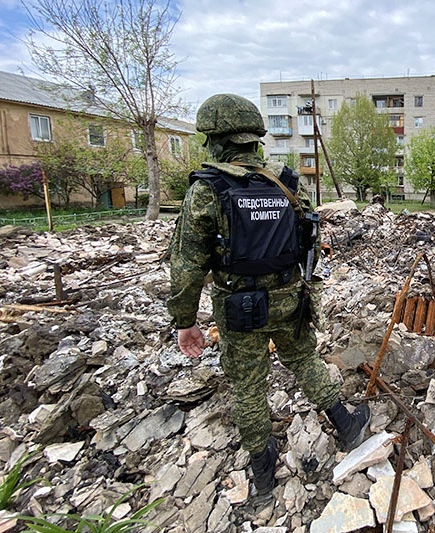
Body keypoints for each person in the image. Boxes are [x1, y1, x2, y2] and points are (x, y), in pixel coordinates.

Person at [166, 93, 370, 507]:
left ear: (214, 140)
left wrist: (184, 320)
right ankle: (346, 425)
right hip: (288, 295)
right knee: (304, 359)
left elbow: (186, 264)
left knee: (247, 385)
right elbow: (309, 235)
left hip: (239, 305)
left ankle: (262, 474)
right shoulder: (285, 181)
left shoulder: (207, 190)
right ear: (254, 138)